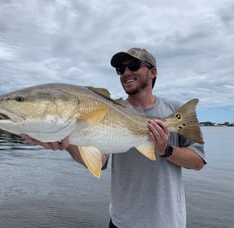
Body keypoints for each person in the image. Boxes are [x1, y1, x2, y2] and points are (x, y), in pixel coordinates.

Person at [21, 47, 206, 228]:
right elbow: (99, 161)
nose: (126, 72)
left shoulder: (176, 112)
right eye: (120, 69)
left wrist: (165, 150)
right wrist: (68, 143)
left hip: (168, 222)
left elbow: (198, 162)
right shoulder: (110, 110)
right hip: (120, 222)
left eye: (133, 65)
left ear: (153, 72)